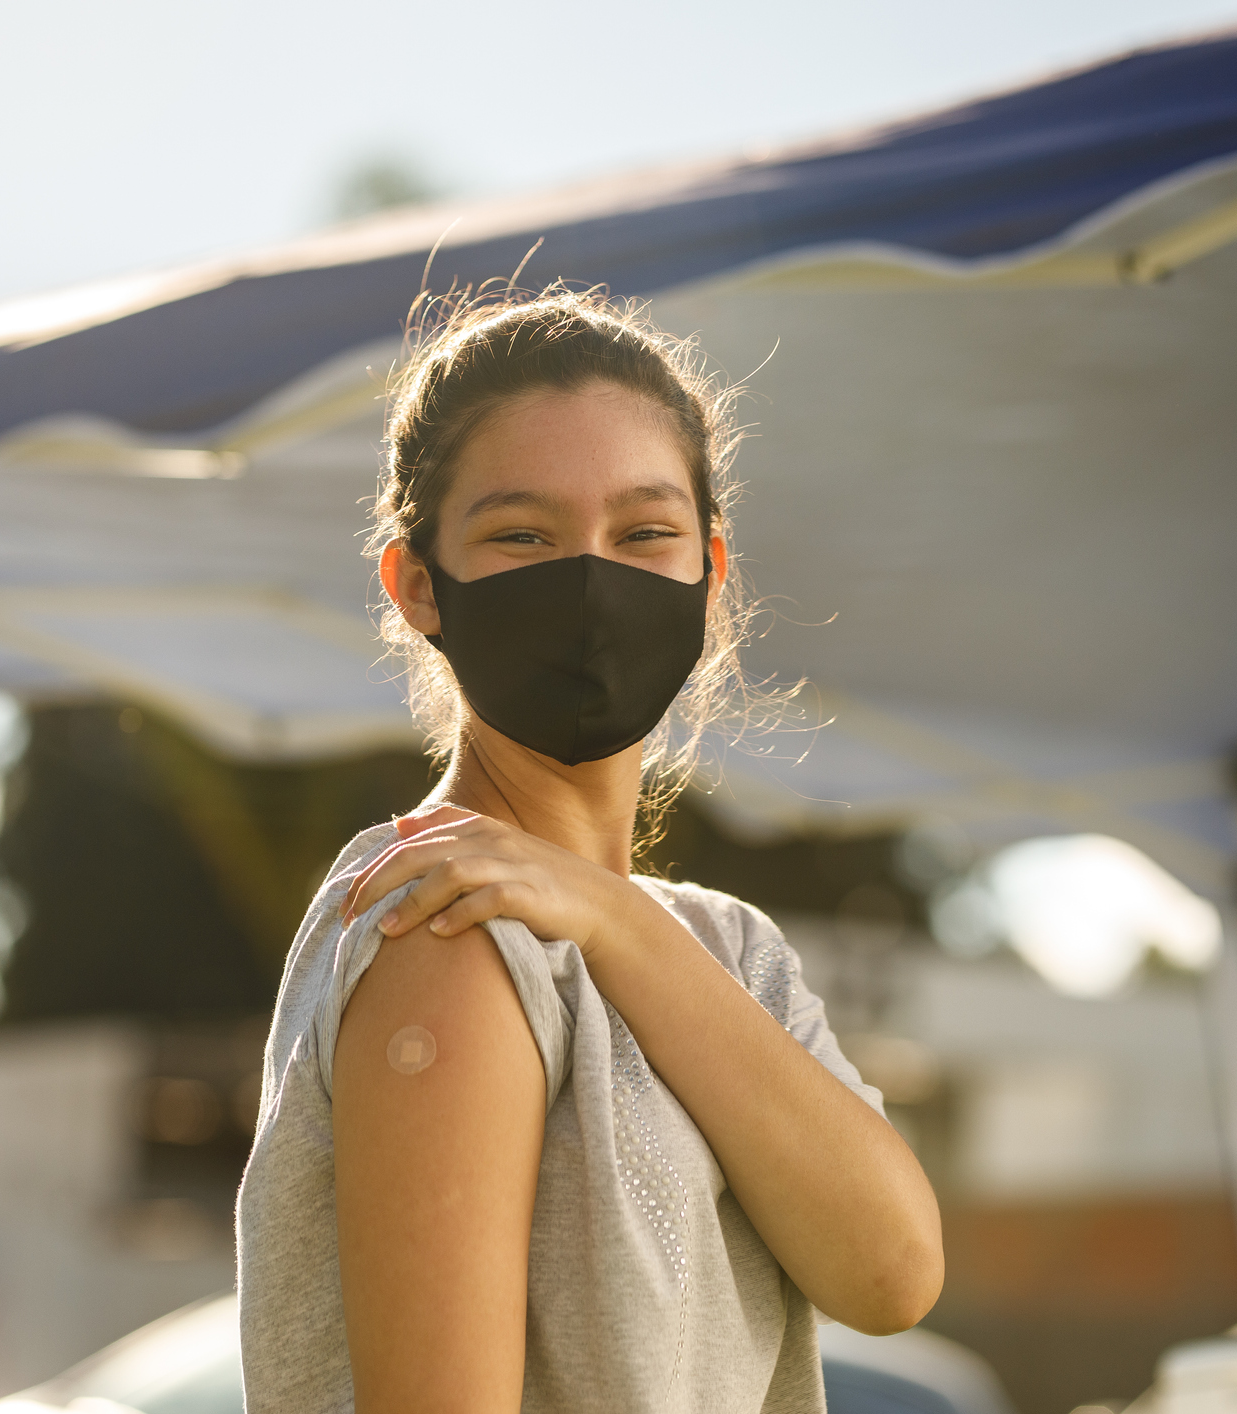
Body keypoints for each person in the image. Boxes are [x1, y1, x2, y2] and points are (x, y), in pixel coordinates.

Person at [236, 288, 943, 1414]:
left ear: (709, 573)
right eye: (522, 535)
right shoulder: (444, 919)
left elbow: (894, 1272)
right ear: (417, 582)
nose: (591, 581)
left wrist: (614, 918)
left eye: (644, 533)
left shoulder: (730, 949)